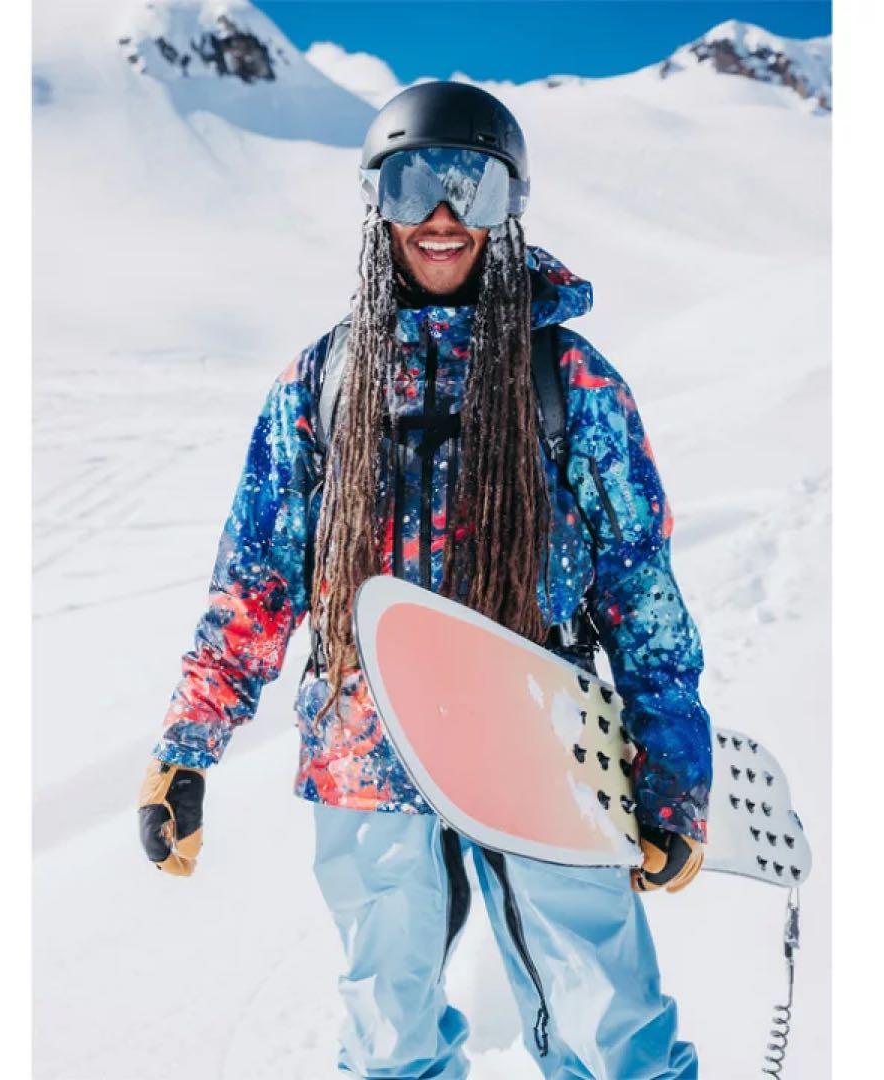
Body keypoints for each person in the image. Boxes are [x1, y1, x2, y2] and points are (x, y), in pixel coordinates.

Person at [138, 81, 712, 1080]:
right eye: (412, 184)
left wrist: (672, 776)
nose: (442, 216)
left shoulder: (568, 380)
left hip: (539, 731)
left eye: (472, 186)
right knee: (389, 1040)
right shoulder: (322, 382)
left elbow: (639, 591)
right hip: (365, 743)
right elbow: (257, 582)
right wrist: (187, 748)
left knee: (613, 1028)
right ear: (377, 203)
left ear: (510, 204)